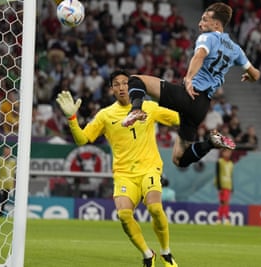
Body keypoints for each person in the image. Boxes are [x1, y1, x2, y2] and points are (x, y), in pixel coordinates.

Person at [56, 70, 179, 267]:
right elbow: (82, 140)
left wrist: (191, 107)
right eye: (117, 84)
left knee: (155, 208)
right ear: (112, 89)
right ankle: (148, 254)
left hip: (149, 169)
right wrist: (72, 119)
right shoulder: (105, 115)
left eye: (125, 83)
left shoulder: (149, 107)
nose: (122, 87)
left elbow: (178, 119)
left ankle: (166, 253)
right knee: (123, 215)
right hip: (124, 175)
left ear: (132, 86)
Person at [122, 2, 260, 169]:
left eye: (205, 20)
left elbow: (199, 56)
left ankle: (135, 109)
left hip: (189, 94)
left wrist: (188, 79)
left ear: (216, 24)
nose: (200, 23)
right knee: (179, 159)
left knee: (136, 80)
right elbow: (256, 73)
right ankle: (210, 143)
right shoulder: (236, 49)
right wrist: (250, 77)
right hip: (201, 107)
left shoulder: (208, 37)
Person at [214, 148, 234, 225]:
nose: (228, 154)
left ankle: (219, 219)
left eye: (230, 152)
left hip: (228, 185)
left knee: (223, 203)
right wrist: (219, 187)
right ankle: (226, 219)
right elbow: (218, 174)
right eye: (227, 152)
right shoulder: (219, 162)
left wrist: (232, 187)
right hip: (222, 185)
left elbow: (231, 176)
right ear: (223, 153)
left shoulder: (231, 163)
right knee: (225, 203)